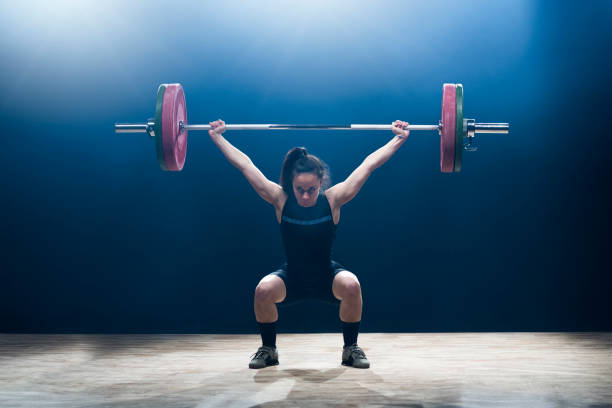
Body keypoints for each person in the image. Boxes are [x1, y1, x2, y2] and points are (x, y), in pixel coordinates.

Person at [208, 119, 410, 369]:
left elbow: (368, 165)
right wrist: (218, 138)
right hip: (291, 278)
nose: (305, 195)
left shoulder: (334, 199)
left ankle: (350, 349)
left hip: (327, 277)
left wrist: (398, 138)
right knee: (262, 290)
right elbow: (245, 165)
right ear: (290, 185)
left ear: (321, 182)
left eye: (311, 189)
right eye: (299, 189)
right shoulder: (280, 200)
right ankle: (268, 350)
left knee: (351, 284)